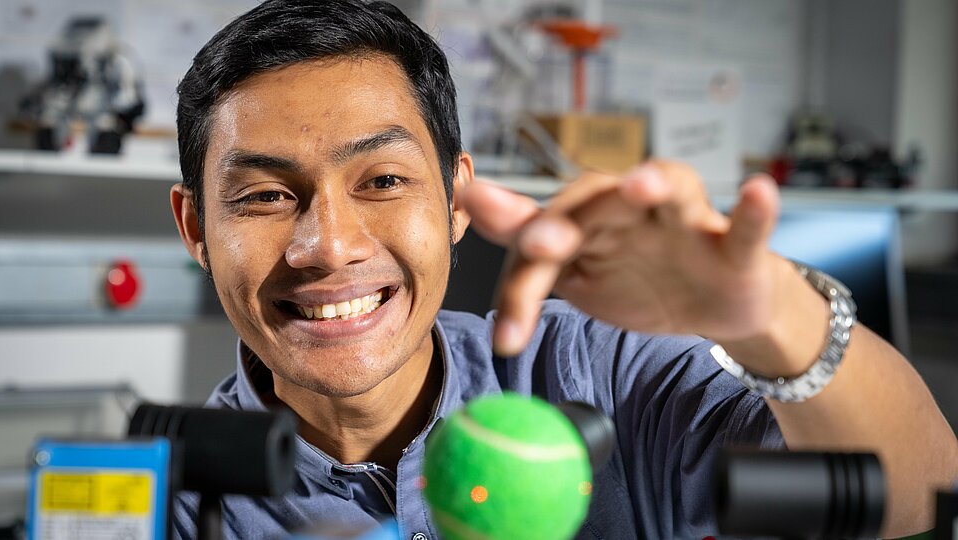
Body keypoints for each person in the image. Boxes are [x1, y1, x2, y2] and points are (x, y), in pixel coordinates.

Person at [168, 0, 958, 538]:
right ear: (197, 226)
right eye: (267, 195)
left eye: (382, 181)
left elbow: (917, 498)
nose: (329, 245)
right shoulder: (175, 499)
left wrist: (769, 318)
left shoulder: (601, 373)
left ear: (455, 204)